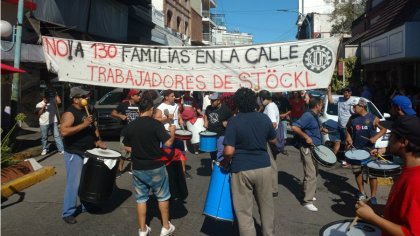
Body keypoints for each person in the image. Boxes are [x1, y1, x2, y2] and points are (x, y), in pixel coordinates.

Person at [221, 87, 277, 236]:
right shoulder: (264, 118)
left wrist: (224, 163)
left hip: (241, 169)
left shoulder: (234, 121)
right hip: (264, 167)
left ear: (237, 104)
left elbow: (228, 151)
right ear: (255, 101)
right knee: (266, 208)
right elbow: (273, 139)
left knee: (244, 213)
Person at [356, 115, 420, 236]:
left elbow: (412, 233)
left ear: (403, 142)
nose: (389, 140)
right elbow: (403, 212)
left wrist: (372, 218)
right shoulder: (408, 170)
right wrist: (375, 209)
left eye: (391, 136)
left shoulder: (416, 181)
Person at [123, 98, 176, 236]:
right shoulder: (155, 124)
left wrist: (139, 151)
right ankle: (165, 227)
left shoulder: (131, 125)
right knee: (163, 197)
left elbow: (126, 146)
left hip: (138, 166)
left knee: (141, 199)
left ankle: (143, 230)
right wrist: (172, 131)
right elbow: (169, 143)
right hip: (156, 165)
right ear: (151, 109)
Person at [60, 87, 107, 224]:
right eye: (84, 97)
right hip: (75, 152)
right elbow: (64, 132)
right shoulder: (69, 113)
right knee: (73, 183)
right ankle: (68, 212)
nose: (87, 98)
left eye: (87, 96)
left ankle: (87, 206)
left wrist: (98, 140)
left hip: (89, 150)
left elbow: (93, 126)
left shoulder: (89, 109)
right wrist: (83, 124)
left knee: (87, 180)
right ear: (75, 99)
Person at [345, 98, 387, 203]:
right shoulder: (353, 118)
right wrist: (348, 137)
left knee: (372, 175)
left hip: (370, 151)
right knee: (357, 172)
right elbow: (347, 128)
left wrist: (375, 137)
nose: (353, 108)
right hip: (356, 151)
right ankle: (362, 193)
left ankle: (373, 196)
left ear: (362, 106)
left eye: (355, 106)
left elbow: (384, 129)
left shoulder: (373, 118)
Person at [292, 97, 329, 212]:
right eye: (321, 104)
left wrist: (322, 130)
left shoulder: (315, 116)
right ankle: (307, 201)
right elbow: (294, 126)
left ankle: (308, 191)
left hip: (315, 148)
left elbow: (313, 128)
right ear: (317, 105)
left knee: (314, 172)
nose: (322, 106)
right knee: (311, 174)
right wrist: (306, 137)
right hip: (307, 148)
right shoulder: (307, 116)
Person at [154, 90, 191, 178]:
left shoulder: (175, 105)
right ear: (166, 97)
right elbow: (156, 119)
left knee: (181, 152)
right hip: (167, 133)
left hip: (177, 132)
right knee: (167, 153)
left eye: (174, 96)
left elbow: (178, 114)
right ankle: (167, 172)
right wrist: (166, 119)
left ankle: (183, 171)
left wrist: (180, 119)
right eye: (172, 96)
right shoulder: (161, 107)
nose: (174, 97)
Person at [111, 89, 141, 175]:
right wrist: (120, 115)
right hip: (125, 132)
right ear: (132, 96)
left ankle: (132, 168)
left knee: (135, 151)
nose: (139, 97)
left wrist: (140, 114)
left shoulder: (139, 105)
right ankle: (120, 169)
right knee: (123, 151)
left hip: (136, 132)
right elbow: (113, 113)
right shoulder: (124, 104)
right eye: (137, 95)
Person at [327, 86, 358, 167]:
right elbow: (330, 101)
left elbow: (356, 111)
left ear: (351, 93)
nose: (346, 94)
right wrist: (329, 91)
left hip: (347, 128)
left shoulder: (353, 101)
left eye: (348, 92)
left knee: (348, 144)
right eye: (345, 92)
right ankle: (332, 159)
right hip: (339, 126)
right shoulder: (340, 99)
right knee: (337, 142)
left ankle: (348, 161)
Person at [259, 90, 281, 197]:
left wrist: (264, 133)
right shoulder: (270, 106)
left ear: (262, 99)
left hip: (269, 139)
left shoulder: (270, 107)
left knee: (271, 164)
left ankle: (273, 189)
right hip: (270, 138)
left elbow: (273, 124)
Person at [204, 92, 233, 163]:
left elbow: (232, 119)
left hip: (221, 134)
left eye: (213, 100)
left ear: (219, 100)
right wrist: (205, 121)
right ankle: (214, 166)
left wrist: (228, 122)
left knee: (220, 153)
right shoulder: (209, 108)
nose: (211, 102)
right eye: (211, 100)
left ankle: (220, 169)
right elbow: (205, 115)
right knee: (212, 152)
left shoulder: (226, 109)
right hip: (211, 135)